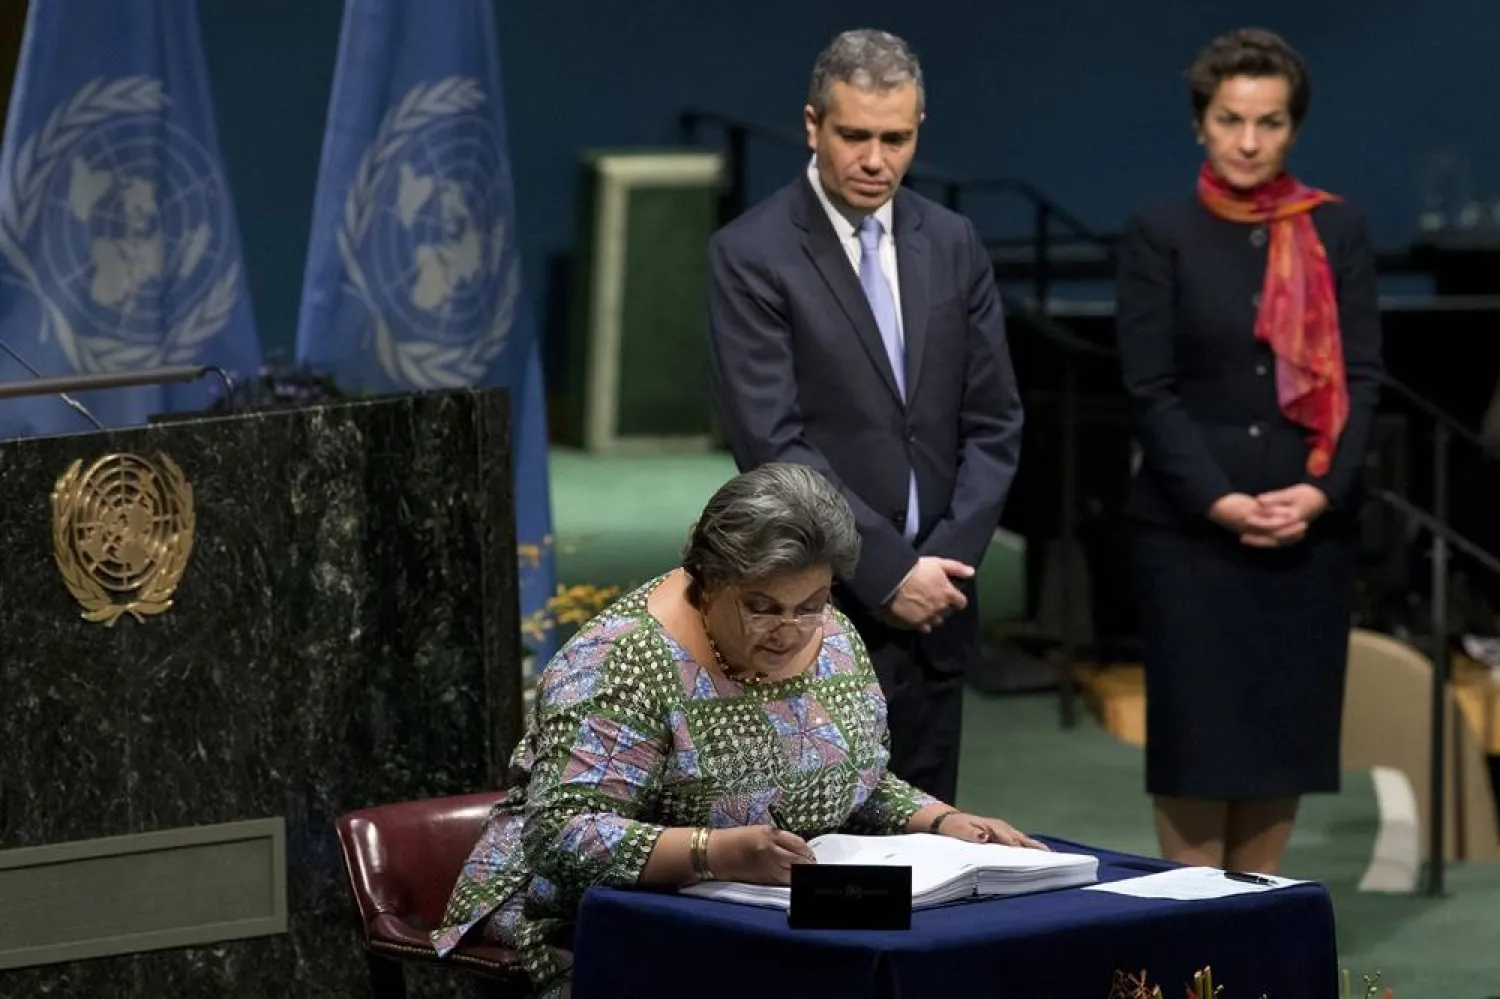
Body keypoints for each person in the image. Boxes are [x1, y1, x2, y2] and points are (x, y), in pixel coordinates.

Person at [431, 463, 1045, 998]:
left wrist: (941, 821)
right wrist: (713, 852)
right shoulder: (622, 661)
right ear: (706, 581)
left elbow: (852, 775)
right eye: (763, 607)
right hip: (573, 914)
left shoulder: (828, 631)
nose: (793, 630)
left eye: (813, 603)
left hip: (761, 907)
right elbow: (564, 835)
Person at [706, 29, 1024, 806]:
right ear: (813, 125)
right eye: (854, 136)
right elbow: (772, 441)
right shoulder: (752, 253)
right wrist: (887, 571)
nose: (875, 159)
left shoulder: (952, 242)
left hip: (941, 607)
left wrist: (943, 564)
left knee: (931, 852)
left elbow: (994, 421)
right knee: (823, 861)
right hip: (819, 608)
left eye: (897, 138)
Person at [1114, 28, 1383, 874]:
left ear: (1293, 127)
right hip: (1192, 536)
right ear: (1201, 122)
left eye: (1269, 122)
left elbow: (1366, 378)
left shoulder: (1337, 231)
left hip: (1308, 536)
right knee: (1199, 747)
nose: (1249, 140)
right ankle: (1199, 941)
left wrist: (1321, 493)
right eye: (1231, 119)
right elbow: (1149, 389)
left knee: (1282, 744)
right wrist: (1222, 501)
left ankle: (1259, 921)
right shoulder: (1159, 232)